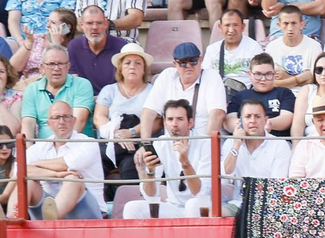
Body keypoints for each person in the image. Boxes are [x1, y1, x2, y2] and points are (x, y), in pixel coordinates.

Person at [126, 98, 208, 217]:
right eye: (170, 119)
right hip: (174, 207)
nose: (174, 124)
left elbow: (200, 193)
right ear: (164, 123)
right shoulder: (160, 143)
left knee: (192, 204)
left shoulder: (205, 142)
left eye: (180, 119)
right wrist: (150, 172)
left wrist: (185, 163)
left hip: (201, 206)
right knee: (132, 208)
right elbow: (151, 196)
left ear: (190, 123)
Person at [28, 101, 106, 219]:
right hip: (47, 207)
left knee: (72, 179)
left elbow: (66, 164)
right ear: (49, 123)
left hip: (88, 212)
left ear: (74, 120)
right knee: (27, 182)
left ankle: (52, 219)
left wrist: (36, 165)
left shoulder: (88, 143)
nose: (61, 122)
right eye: (56, 118)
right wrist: (55, 174)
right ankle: (10, 219)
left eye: (66, 117)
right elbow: (18, 170)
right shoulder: (40, 146)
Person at [93, 45, 152, 200]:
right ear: (120, 68)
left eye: (138, 63)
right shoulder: (109, 90)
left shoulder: (152, 90)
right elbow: (99, 117)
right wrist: (117, 134)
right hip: (111, 141)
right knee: (93, 162)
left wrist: (130, 133)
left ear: (144, 69)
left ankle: (130, 208)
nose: (132, 66)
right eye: (127, 63)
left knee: (132, 166)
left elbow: (156, 121)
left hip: (136, 143)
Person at [140, 41, 226, 140]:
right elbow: (148, 111)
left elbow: (218, 114)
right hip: (171, 145)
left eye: (193, 61)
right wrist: (145, 143)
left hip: (202, 143)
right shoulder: (166, 76)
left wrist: (205, 145)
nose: (188, 66)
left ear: (201, 60)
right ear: (175, 63)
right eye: (183, 63)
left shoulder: (211, 76)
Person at [222, 95, 293, 210]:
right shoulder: (232, 143)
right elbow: (226, 174)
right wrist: (236, 146)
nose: (252, 121)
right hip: (239, 203)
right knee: (218, 214)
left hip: (269, 205)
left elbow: (277, 184)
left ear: (265, 120)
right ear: (240, 121)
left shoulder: (279, 144)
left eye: (257, 116)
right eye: (248, 117)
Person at [19, 45, 92, 138]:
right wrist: (28, 151)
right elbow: (28, 124)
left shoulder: (82, 84)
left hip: (77, 145)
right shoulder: (32, 89)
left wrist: (59, 148)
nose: (56, 68)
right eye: (51, 64)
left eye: (61, 63)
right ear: (42, 68)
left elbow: (79, 122)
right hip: (44, 148)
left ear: (68, 66)